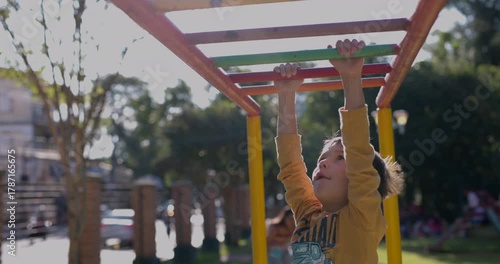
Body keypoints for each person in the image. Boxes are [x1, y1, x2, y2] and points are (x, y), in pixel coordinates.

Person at [274, 39, 405, 263]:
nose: (322, 163)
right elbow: (292, 170)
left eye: (339, 158)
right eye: (322, 158)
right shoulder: (308, 215)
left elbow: (359, 154)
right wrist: (286, 95)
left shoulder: (362, 216)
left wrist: (352, 77)